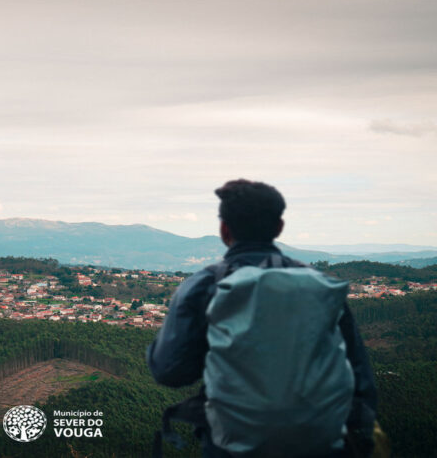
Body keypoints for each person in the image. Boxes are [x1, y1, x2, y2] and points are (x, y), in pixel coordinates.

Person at [146, 179, 377, 458]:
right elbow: (361, 379)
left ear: (224, 229)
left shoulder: (204, 285)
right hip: (322, 445)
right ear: (279, 227)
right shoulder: (319, 285)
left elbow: (169, 371)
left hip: (233, 448)